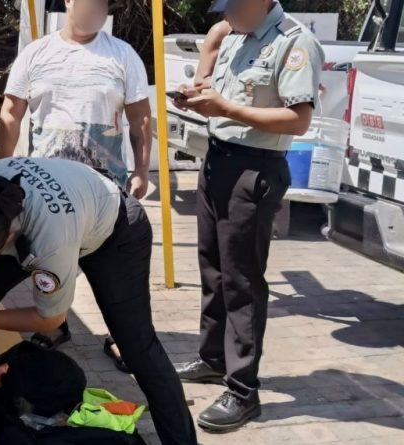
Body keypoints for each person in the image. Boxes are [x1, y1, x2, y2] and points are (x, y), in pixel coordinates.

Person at [0, 157, 198, 445]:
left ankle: (182, 442)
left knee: (137, 346)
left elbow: (49, 319)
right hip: (75, 207)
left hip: (116, 232)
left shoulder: (48, 242)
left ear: (9, 237)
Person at [171, 0, 324, 432]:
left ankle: (243, 390)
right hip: (218, 160)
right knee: (213, 269)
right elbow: (222, 95)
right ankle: (213, 358)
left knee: (242, 279)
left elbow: (297, 120)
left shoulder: (294, 44)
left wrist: (226, 110)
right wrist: (201, 100)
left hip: (254, 169)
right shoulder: (236, 37)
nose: (225, 16)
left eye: (232, 7)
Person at [0, 0, 153, 359]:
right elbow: (10, 112)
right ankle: (53, 324)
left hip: (104, 194)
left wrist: (141, 171)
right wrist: (4, 169)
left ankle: (126, 337)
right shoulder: (36, 54)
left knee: (117, 274)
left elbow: (141, 118)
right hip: (47, 194)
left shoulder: (122, 55)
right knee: (48, 261)